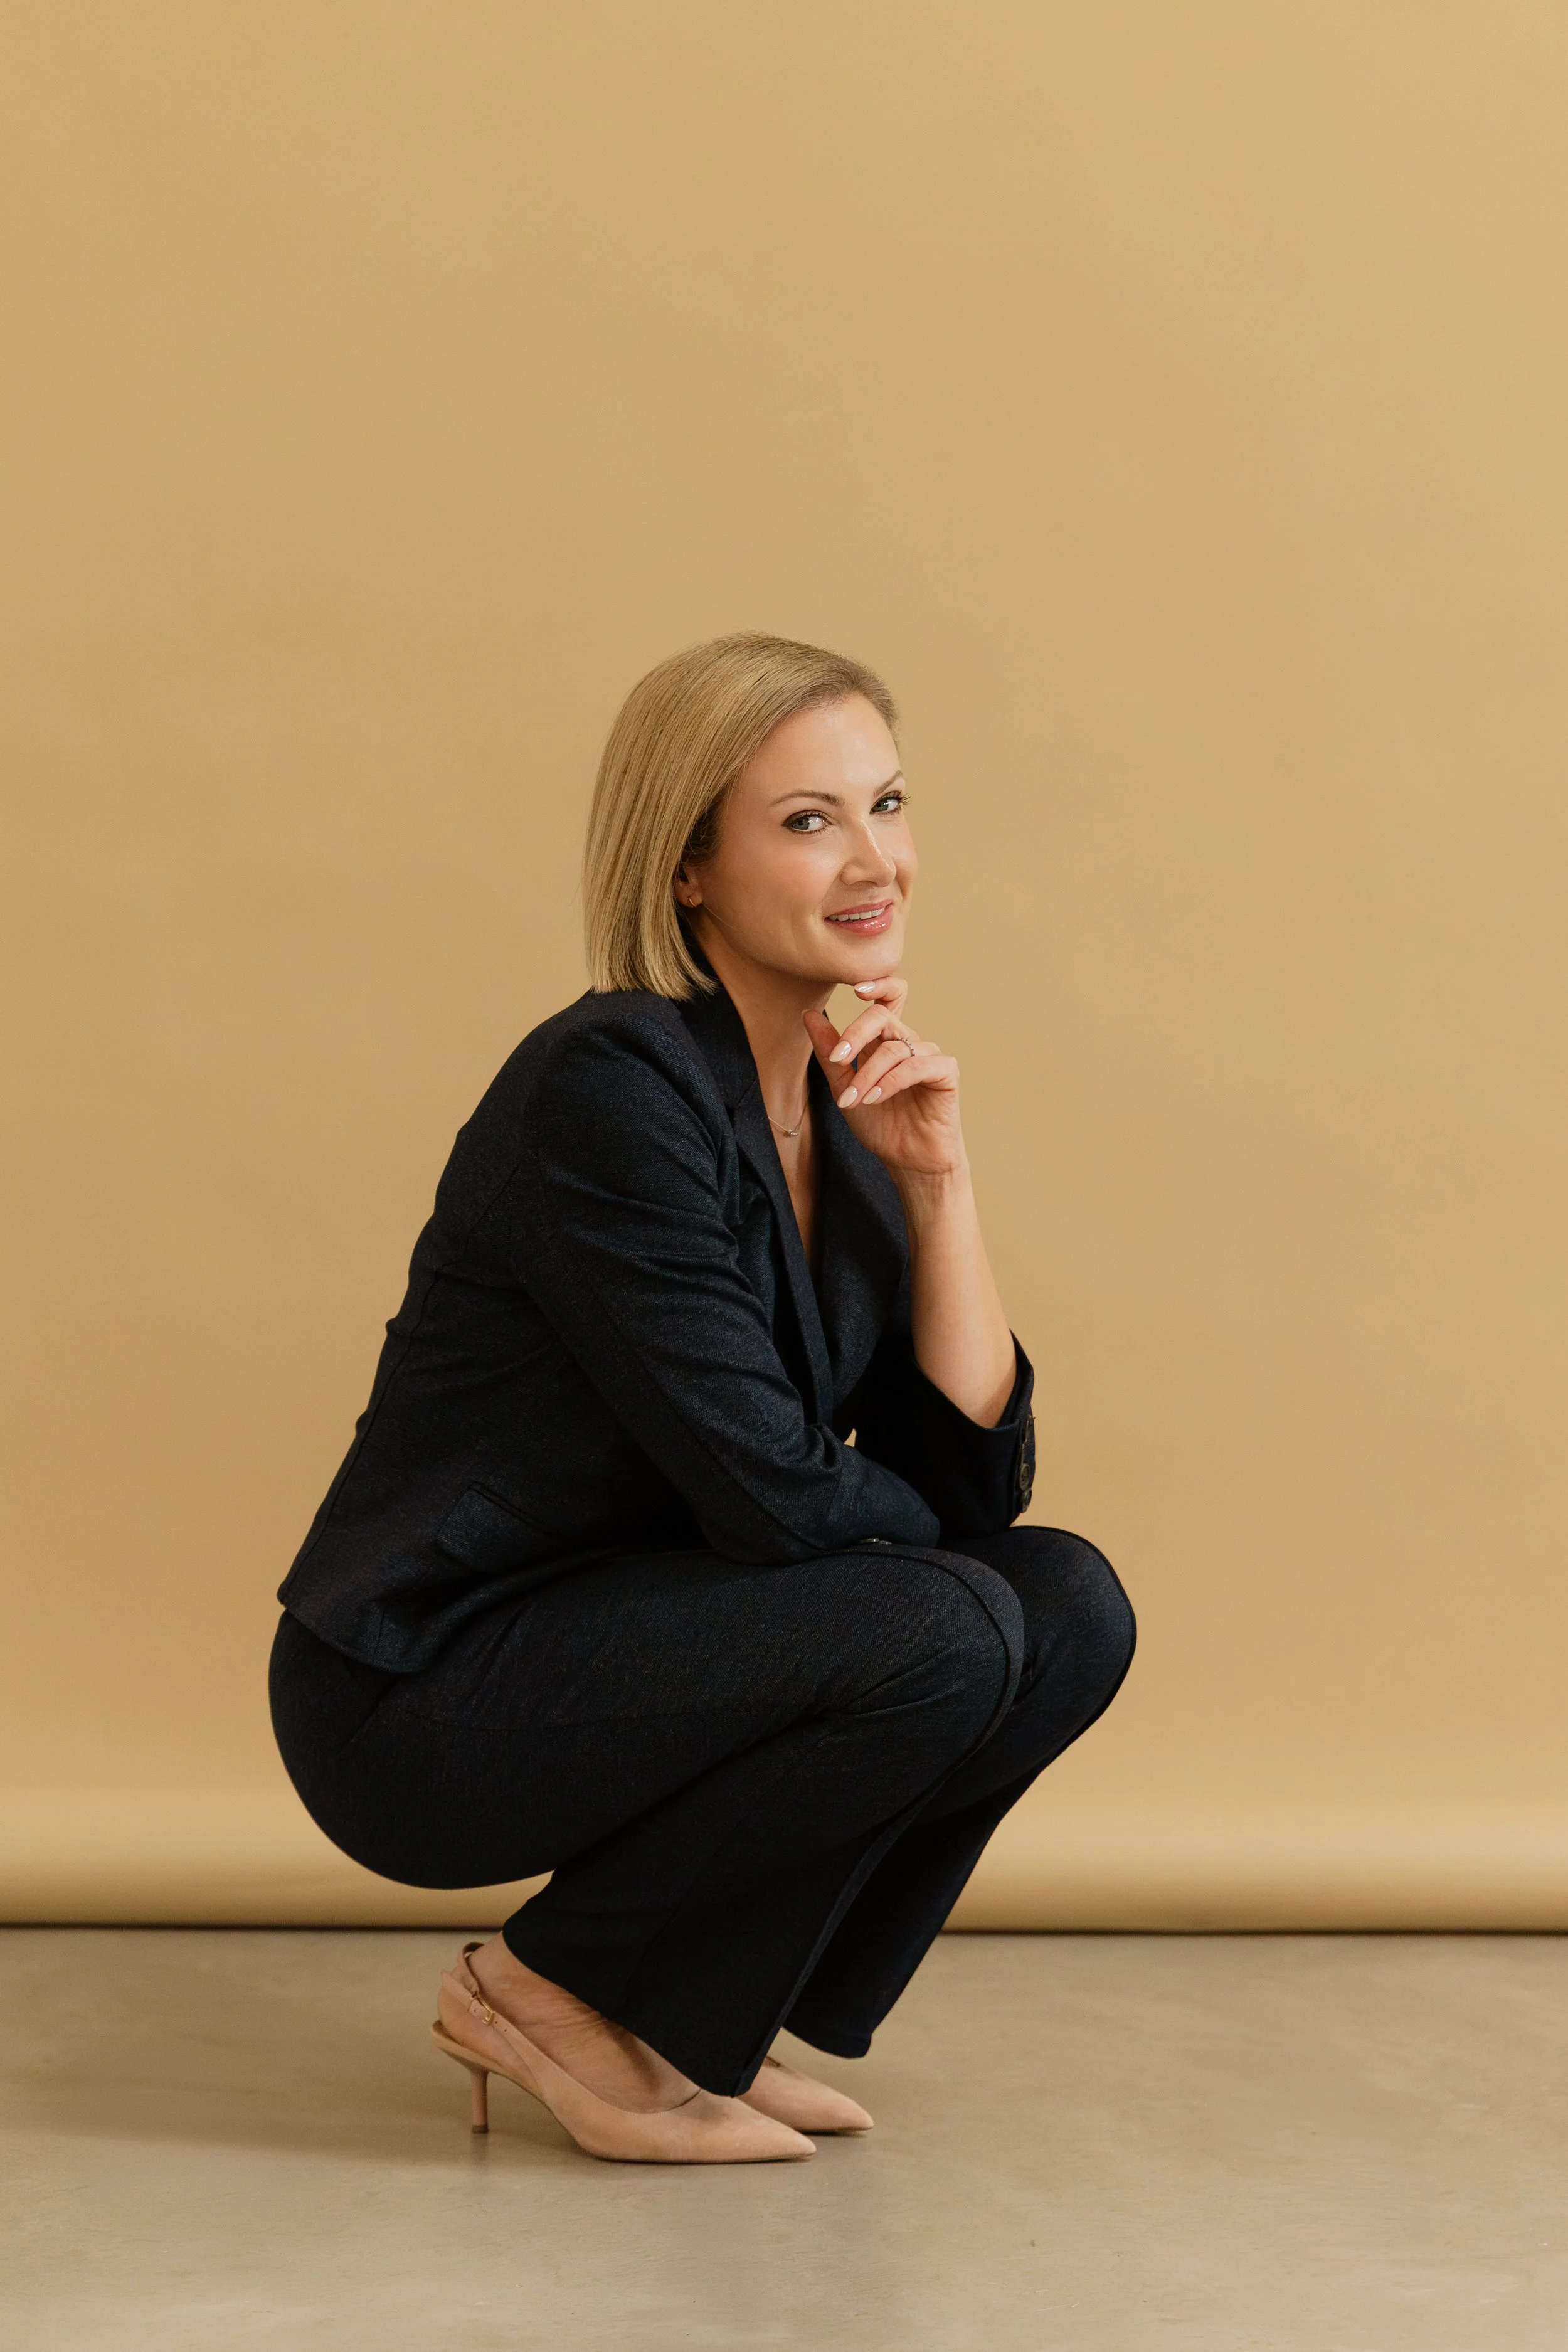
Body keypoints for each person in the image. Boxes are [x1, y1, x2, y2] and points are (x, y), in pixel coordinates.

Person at [269, 632, 1135, 2164]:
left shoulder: (829, 1088)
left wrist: (936, 1187)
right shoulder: (610, 1087)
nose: (873, 858)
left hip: (647, 1639)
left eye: (885, 802)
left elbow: (974, 1492)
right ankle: (555, 1991)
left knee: (1061, 1600)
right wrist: (922, 1560)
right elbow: (780, 1497)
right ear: (687, 870)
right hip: (428, 1693)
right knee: (946, 1622)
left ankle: (682, 2022)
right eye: (807, 821)